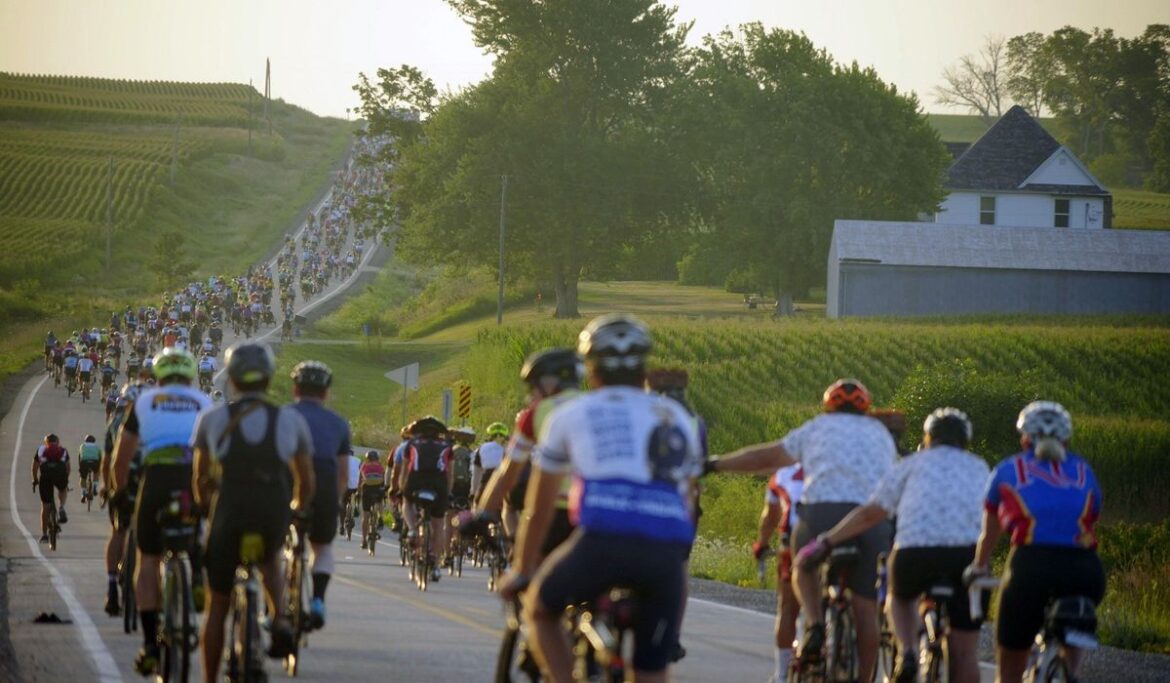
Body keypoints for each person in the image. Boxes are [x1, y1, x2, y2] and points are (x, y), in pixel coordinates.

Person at [500, 314, 702, 683]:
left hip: (601, 541)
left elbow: (538, 506)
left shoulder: (570, 413)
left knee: (540, 610)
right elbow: (688, 496)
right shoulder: (675, 415)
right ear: (645, 369)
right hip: (663, 553)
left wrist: (522, 570)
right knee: (652, 671)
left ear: (590, 370)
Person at [706, 378, 895, 683]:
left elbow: (764, 458)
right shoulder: (881, 435)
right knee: (865, 605)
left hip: (821, 513)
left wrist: (715, 464)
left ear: (828, 407)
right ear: (865, 408)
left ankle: (816, 625)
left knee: (802, 565)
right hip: (869, 520)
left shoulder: (817, 428)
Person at [796, 408, 989, 683]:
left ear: (929, 437)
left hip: (915, 553)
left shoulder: (910, 465)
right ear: (965, 441)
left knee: (898, 599)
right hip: (966, 556)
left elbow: (870, 513)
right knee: (967, 653)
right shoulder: (979, 467)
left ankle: (908, 652)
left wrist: (827, 540)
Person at [192, 342, 314, 683]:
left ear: (230, 378)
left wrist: (204, 507)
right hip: (270, 509)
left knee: (218, 604)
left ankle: (209, 679)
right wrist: (298, 509)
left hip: (228, 510)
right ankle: (281, 621)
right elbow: (305, 480)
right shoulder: (289, 420)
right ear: (268, 377)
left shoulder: (212, 419)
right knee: (272, 558)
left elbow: (200, 477)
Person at [967, 401, 1104, 683]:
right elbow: (1091, 518)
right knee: (1073, 617)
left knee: (1010, 667)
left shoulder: (1008, 470)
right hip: (1086, 570)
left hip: (1031, 566)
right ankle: (1071, 672)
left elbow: (990, 533)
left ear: (1024, 438)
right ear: (1066, 439)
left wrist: (980, 566)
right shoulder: (1084, 470)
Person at [110, 347, 211, 675]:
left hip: (155, 480)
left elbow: (121, 458)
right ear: (191, 374)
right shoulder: (205, 402)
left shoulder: (143, 402)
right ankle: (196, 574)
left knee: (148, 559)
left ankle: (151, 644)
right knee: (201, 520)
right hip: (190, 477)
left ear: (159, 376)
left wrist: (121, 493)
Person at [288, 360, 351, 629]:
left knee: (278, 548)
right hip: (324, 485)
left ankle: (275, 610)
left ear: (295, 389)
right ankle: (317, 600)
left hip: (288, 484)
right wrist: (334, 502)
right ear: (325, 393)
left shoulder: (283, 415)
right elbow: (343, 473)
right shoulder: (338, 423)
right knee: (322, 548)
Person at [753, 463, 804, 682]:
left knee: (788, 608)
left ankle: (782, 675)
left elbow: (770, 516)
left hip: (794, 541)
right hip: (835, 537)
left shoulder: (784, 475)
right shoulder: (837, 469)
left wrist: (761, 544)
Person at [396, 415, 453, 582]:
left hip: (416, 480)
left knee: (407, 502)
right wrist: (447, 493)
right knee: (438, 524)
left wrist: (401, 489)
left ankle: (413, 528)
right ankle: (435, 564)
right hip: (438, 484)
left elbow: (405, 471)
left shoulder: (411, 444)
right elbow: (450, 474)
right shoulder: (447, 446)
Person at [32, 434, 71, 537]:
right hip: (60, 475)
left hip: (46, 477)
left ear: (46, 442)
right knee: (62, 490)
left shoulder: (41, 449)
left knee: (45, 506)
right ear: (57, 442)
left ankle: (44, 535)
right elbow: (68, 468)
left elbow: (35, 467)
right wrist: (65, 480)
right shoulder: (63, 450)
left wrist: (35, 479)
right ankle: (61, 507)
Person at [473, 422, 508, 506]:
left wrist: (473, 492)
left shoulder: (481, 448)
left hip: (487, 478)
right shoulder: (509, 449)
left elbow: (476, 474)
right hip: (503, 480)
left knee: (478, 506)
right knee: (508, 509)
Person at [358, 450, 386, 550]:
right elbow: (383, 479)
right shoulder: (381, 467)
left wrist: (358, 492)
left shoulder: (364, 466)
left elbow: (360, 480)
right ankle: (380, 516)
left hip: (367, 490)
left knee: (366, 515)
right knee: (380, 501)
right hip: (378, 489)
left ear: (367, 458)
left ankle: (364, 540)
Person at [77, 435, 103, 504]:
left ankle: (83, 493)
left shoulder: (82, 446)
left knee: (83, 478)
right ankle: (94, 486)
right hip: (94, 463)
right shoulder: (97, 447)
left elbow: (80, 457)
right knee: (96, 473)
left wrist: (80, 467)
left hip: (84, 463)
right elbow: (100, 458)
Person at [341, 448, 361, 534]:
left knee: (342, 503)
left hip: (345, 486)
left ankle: (341, 526)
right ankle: (356, 505)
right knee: (357, 494)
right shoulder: (359, 461)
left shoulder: (341, 460)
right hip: (356, 486)